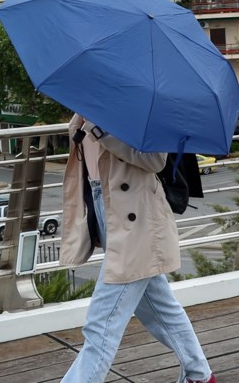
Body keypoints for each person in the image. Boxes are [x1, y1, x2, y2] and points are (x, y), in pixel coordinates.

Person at [60, 114, 214, 383]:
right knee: (160, 309)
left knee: (102, 323)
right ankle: (199, 375)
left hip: (138, 220)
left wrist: (101, 129)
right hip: (106, 208)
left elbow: (156, 160)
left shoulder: (138, 104)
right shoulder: (89, 103)